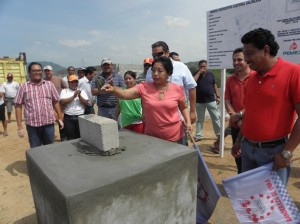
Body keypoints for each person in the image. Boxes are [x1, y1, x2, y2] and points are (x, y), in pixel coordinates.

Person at [231, 28, 300, 186]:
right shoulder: (253, 77)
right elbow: (249, 113)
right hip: (247, 149)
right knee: (251, 198)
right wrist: (239, 140)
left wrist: (286, 153)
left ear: (266, 50)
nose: (246, 59)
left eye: (249, 54)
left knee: (271, 206)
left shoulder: (294, 73)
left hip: (273, 154)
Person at [102, 56, 192, 143]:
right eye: (153, 70)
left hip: (175, 137)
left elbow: (183, 107)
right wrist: (113, 90)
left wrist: (188, 121)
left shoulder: (177, 89)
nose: (155, 74)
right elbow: (125, 94)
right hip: (152, 138)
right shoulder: (144, 87)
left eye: (160, 71)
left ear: (168, 73)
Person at [145, 41, 197, 145]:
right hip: (156, 122)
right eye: (154, 55)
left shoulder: (181, 67)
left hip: (178, 119)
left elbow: (192, 88)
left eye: (159, 54)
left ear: (167, 53)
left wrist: (192, 112)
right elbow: (146, 93)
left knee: (178, 151)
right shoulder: (150, 71)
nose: (156, 57)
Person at [14, 62, 64, 148]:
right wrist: (19, 126)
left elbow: (55, 101)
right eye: (34, 71)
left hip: (48, 124)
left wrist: (60, 118)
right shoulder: (23, 87)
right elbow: (18, 106)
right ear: (29, 73)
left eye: (39, 70)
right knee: (35, 150)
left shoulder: (49, 85)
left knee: (50, 148)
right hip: (32, 126)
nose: (37, 72)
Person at [225, 48, 255, 174]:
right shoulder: (230, 80)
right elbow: (227, 101)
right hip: (236, 126)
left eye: (239, 59)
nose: (236, 62)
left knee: (252, 158)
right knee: (238, 156)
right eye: (234, 60)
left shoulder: (255, 77)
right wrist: (235, 118)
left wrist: (240, 114)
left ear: (247, 60)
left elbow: (255, 103)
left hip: (252, 126)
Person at [193, 60, 221, 152]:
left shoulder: (210, 74)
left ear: (207, 66)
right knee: (200, 119)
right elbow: (193, 82)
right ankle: (199, 135)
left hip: (211, 100)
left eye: (204, 66)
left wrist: (217, 95)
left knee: (216, 117)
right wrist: (199, 73)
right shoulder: (195, 74)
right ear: (199, 67)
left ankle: (219, 134)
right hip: (199, 101)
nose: (203, 68)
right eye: (201, 66)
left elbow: (214, 84)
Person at [60, 75, 88, 140]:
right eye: (72, 82)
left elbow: (86, 103)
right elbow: (62, 102)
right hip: (68, 118)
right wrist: (74, 96)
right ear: (68, 83)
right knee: (70, 137)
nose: (74, 84)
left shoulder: (82, 91)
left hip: (80, 117)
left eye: (76, 82)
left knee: (81, 136)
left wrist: (79, 96)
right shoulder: (65, 91)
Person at [43, 65, 67, 141]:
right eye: (46, 71)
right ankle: (50, 136)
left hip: (58, 104)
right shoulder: (43, 81)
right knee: (49, 121)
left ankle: (63, 136)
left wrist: (64, 99)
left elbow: (65, 88)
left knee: (61, 119)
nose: (48, 72)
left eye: (49, 70)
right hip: (47, 105)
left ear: (52, 71)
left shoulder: (59, 79)